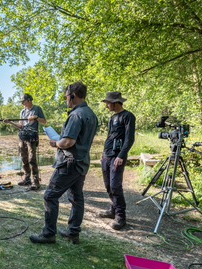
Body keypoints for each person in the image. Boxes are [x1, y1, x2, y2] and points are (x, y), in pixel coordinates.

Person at [29, 82, 98, 245]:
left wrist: (55, 143)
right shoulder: (91, 114)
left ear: (73, 95)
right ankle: (73, 233)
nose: (65, 99)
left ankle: (48, 234)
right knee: (76, 197)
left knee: (50, 195)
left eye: (66, 96)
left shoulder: (75, 115)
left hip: (69, 163)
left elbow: (68, 142)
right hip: (82, 163)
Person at [98, 91, 136, 230]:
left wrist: (121, 155)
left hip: (117, 157)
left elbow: (129, 139)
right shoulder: (112, 118)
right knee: (108, 185)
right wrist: (103, 152)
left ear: (115, 102)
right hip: (106, 156)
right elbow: (109, 136)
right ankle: (113, 209)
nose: (106, 105)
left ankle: (120, 217)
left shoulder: (128, 116)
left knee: (115, 186)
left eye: (108, 103)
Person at [3, 93, 46, 190]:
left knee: (32, 159)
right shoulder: (22, 111)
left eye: (23, 101)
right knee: (23, 158)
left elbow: (44, 121)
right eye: (21, 102)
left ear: (29, 100)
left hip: (32, 138)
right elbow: (20, 125)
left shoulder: (37, 109)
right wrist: (9, 122)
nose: (22, 103)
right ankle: (27, 178)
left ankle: (36, 180)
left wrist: (36, 118)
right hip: (22, 136)